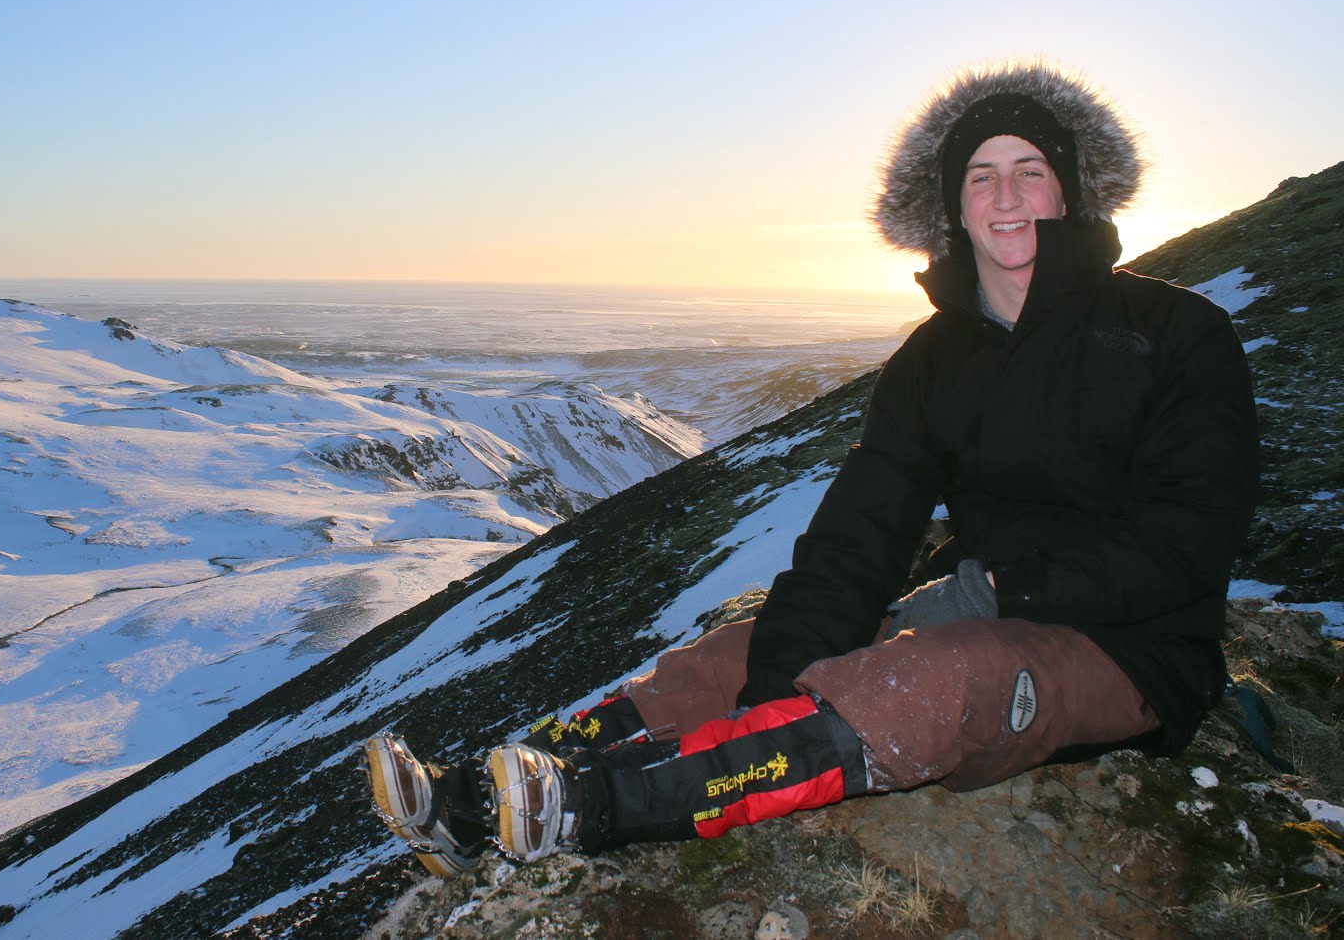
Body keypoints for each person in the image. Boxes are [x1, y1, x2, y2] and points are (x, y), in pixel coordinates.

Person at [363, 61, 1260, 875]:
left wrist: (997, 591)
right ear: (954, 208)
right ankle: (478, 804)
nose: (1007, 196)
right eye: (981, 176)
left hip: (1134, 650)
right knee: (738, 649)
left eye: (1030, 169)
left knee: (928, 680)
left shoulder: (1178, 332)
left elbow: (1189, 536)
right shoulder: (932, 360)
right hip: (980, 612)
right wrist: (777, 678)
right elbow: (858, 535)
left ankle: (585, 807)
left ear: (1069, 189)